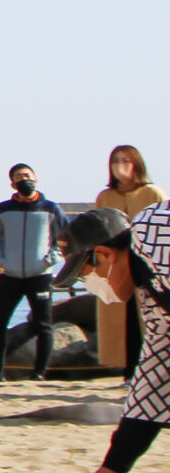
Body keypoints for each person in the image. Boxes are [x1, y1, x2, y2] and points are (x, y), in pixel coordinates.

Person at [63, 207, 170, 473]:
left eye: (85, 275)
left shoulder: (155, 235)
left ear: (105, 255)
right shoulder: (151, 291)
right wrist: (115, 468)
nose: (89, 285)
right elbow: (154, 378)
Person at [0, 163, 69, 380]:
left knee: (43, 325)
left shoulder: (50, 208)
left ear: (36, 179)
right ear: (12, 184)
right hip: (10, 276)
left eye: (28, 176)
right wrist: (0, 261)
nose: (24, 180)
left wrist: (49, 261)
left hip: (40, 276)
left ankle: (40, 372)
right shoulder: (3, 209)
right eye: (19, 177)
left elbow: (65, 239)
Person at [97, 145, 162, 373]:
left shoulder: (153, 194)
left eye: (126, 161)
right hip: (116, 266)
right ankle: (127, 370)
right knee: (121, 318)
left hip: (148, 266)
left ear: (137, 164)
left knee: (150, 316)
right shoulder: (106, 197)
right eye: (115, 161)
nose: (120, 166)